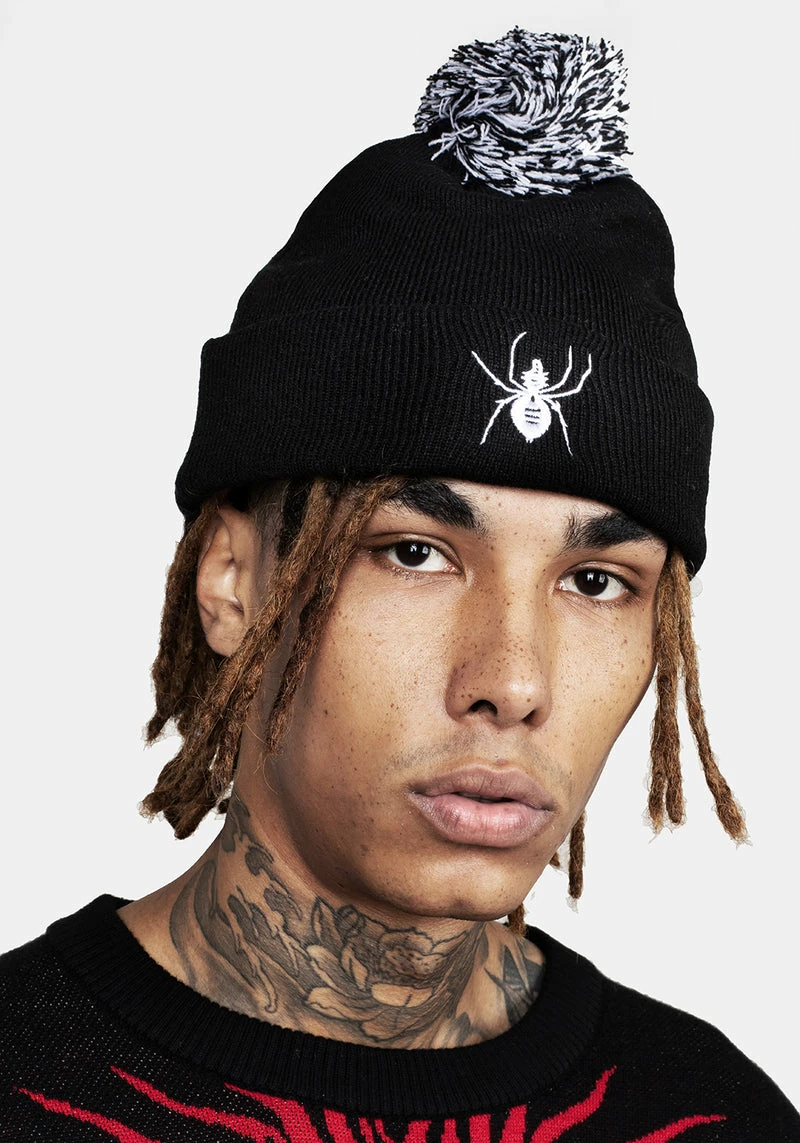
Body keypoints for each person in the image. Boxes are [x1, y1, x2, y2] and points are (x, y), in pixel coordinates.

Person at [2, 28, 798, 1141]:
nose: (513, 682)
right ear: (231, 579)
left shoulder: (710, 1116)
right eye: (414, 553)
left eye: (595, 580)